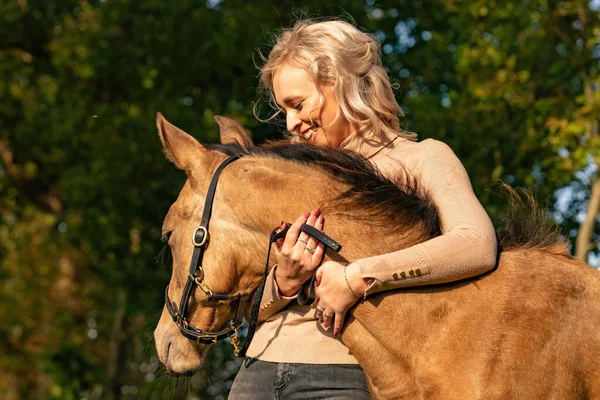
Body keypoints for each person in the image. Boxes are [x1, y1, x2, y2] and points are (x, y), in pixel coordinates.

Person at [228, 19, 497, 399]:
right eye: (283, 109)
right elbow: (241, 308)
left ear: (339, 82)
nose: (290, 122)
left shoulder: (421, 159)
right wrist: (283, 283)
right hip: (256, 370)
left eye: (297, 104)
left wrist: (360, 277)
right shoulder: (293, 171)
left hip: (347, 375)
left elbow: (476, 244)